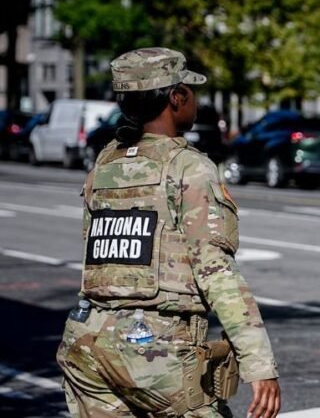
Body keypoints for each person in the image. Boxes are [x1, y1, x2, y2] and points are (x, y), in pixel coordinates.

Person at [56, 47, 281, 418]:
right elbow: (216, 272)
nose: (195, 100)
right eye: (190, 91)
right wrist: (260, 365)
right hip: (154, 349)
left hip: (86, 340)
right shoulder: (189, 167)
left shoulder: (107, 161)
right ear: (176, 99)